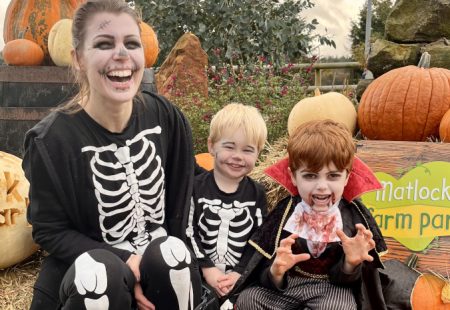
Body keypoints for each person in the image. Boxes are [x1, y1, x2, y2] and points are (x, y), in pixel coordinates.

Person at [23, 1, 202, 309]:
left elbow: (186, 189)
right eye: (104, 44)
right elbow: (50, 230)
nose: (122, 54)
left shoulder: (166, 117)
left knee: (173, 254)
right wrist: (124, 261)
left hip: (163, 271)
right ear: (78, 58)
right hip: (95, 275)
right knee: (100, 274)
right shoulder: (50, 141)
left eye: (131, 44)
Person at [233, 119, 388, 310]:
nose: (321, 186)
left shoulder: (353, 217)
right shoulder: (285, 213)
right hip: (288, 286)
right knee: (249, 299)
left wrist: (350, 263)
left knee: (340, 308)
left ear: (347, 177)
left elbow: (352, 281)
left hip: (330, 289)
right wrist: (276, 271)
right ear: (293, 177)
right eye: (310, 176)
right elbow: (263, 268)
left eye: (333, 176)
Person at [186, 103, 268, 307]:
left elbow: (259, 238)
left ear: (258, 154)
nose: (238, 156)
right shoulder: (195, 188)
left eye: (248, 150)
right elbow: (188, 231)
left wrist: (239, 272)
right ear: (211, 146)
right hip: (201, 276)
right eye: (229, 147)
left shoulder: (257, 193)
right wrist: (207, 268)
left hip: (241, 281)